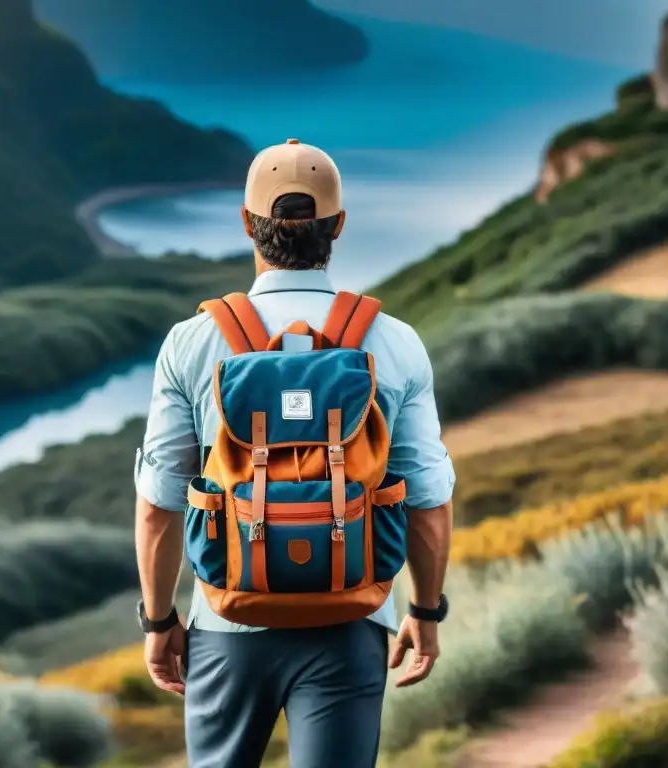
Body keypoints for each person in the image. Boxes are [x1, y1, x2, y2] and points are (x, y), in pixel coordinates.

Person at [132, 138, 455, 767]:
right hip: (351, 614)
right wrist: (425, 608)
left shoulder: (192, 342)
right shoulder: (393, 341)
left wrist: (158, 621)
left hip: (227, 618)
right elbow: (428, 499)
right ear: (338, 225)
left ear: (247, 223)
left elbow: (158, 506)